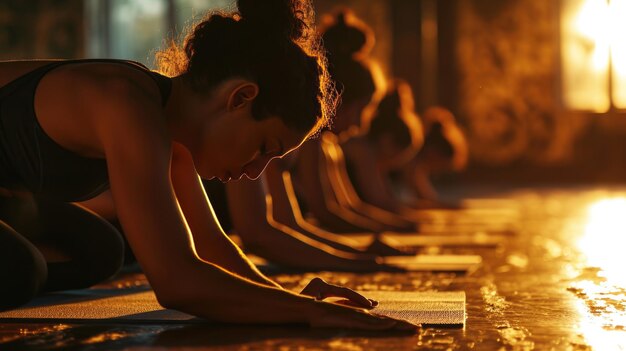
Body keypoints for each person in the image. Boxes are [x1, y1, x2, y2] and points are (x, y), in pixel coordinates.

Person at [0, 0, 417, 331]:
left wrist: (295, 300)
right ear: (239, 98)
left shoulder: (169, 132)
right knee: (20, 269)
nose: (256, 171)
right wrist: (307, 314)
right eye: (264, 147)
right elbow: (177, 282)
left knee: (100, 249)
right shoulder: (124, 103)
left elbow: (212, 247)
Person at [290, 9, 417, 234]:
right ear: (335, 101)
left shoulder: (328, 147)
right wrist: (369, 251)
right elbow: (326, 214)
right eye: (360, 110)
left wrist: (395, 227)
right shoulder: (307, 144)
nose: (359, 124)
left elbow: (349, 208)